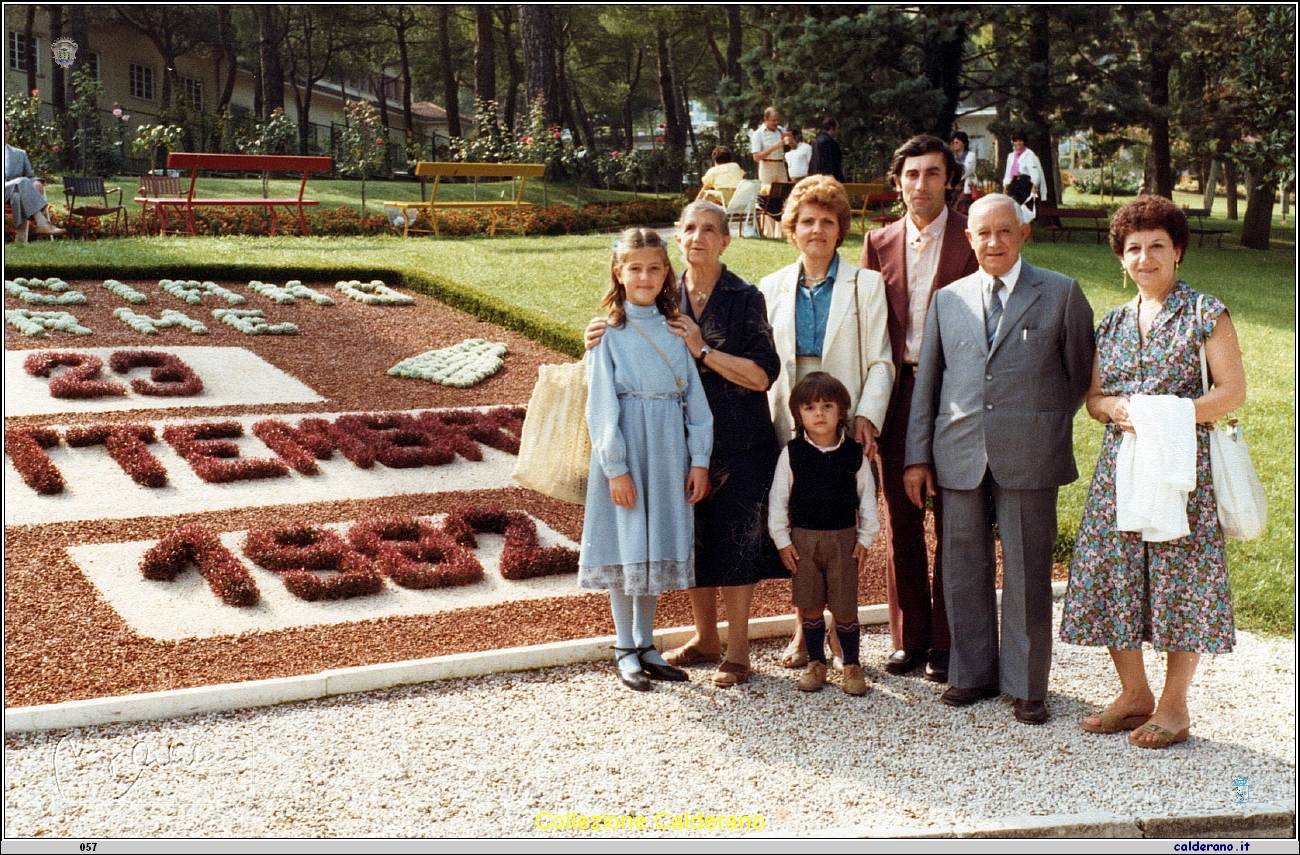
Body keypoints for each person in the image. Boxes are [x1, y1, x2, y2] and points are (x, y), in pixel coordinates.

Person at [1060, 196, 1245, 749]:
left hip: (1182, 468)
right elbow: (1094, 398)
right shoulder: (1113, 322)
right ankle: (1134, 693)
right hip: (1121, 468)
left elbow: (1232, 392)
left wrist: (1164, 414)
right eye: (1133, 248)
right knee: (1114, 571)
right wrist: (1117, 410)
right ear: (1121, 257)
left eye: (1157, 246)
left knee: (1179, 578)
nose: (1145, 257)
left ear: (1178, 251)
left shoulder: (1205, 314)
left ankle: (1174, 706)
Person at [904, 194, 1094, 725]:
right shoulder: (947, 299)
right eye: (983, 233)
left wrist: (1041, 420)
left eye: (1004, 232)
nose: (993, 242)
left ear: (1023, 233)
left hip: (1030, 455)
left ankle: (1027, 685)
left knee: (1030, 570)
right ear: (969, 238)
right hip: (958, 453)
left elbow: (1078, 375)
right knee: (962, 567)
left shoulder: (1060, 293)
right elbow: (929, 385)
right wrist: (918, 456)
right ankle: (972, 674)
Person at [584, 203, 785, 687]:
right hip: (647, 444)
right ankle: (659, 642)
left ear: (725, 239)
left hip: (723, 439)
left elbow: (751, 378)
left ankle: (718, 648)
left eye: (709, 229)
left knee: (717, 541)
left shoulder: (732, 301)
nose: (698, 237)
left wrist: (704, 351)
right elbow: (603, 389)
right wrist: (596, 331)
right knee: (656, 540)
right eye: (690, 228)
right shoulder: (641, 308)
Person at [758, 175, 894, 669]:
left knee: (841, 522)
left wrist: (865, 417)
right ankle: (805, 629)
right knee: (799, 523)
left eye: (828, 222)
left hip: (843, 422)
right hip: (791, 420)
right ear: (792, 229)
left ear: (840, 231)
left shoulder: (866, 285)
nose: (817, 230)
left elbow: (880, 360)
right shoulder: (770, 287)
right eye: (807, 221)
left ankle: (843, 630)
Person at [860, 135, 979, 684]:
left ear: (949, 181)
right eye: (912, 174)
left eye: (934, 174)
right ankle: (910, 640)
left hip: (958, 394)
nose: (922, 185)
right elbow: (869, 330)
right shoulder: (878, 242)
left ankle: (950, 643)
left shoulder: (972, 237)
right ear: (898, 180)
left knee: (956, 521)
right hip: (898, 393)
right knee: (901, 522)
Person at [579, 227, 713, 692]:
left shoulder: (677, 329)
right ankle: (622, 644)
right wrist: (615, 467)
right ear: (619, 272)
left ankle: (646, 641)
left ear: (666, 274)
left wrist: (699, 459)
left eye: (655, 268)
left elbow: (695, 400)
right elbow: (600, 406)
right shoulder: (608, 334)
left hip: (668, 445)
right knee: (626, 539)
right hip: (627, 442)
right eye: (635, 267)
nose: (645, 276)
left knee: (656, 537)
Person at [769, 372, 880, 695]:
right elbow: (779, 500)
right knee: (810, 605)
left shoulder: (853, 455)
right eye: (810, 408)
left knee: (845, 607)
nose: (819, 414)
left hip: (844, 541)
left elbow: (867, 499)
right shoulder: (792, 454)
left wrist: (865, 539)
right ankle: (816, 662)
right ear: (798, 415)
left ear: (842, 412)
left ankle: (851, 665)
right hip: (803, 542)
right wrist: (782, 540)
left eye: (827, 406)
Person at [4, 122, 64, 242]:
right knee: (22, 181)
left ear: (9, 133)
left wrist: (36, 181)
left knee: (17, 196)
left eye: (5, 131)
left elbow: (29, 176)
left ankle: (21, 239)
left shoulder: (20, 154)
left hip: (11, 194)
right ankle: (42, 222)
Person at [750, 107, 789, 187]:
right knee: (767, 194)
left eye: (777, 120)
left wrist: (791, 143)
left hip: (781, 165)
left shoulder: (781, 130)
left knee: (783, 193)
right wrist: (773, 148)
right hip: (767, 167)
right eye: (773, 120)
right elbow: (756, 157)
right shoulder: (758, 134)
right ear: (765, 119)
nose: (776, 123)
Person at [1002, 131, 1044, 201]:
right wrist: (1005, 189)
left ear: (1024, 142)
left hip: (1025, 184)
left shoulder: (1029, 154)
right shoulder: (1011, 156)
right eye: (1016, 141)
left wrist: (1034, 187)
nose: (1018, 143)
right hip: (1014, 184)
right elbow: (1008, 173)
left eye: (1020, 141)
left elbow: (1034, 173)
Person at [808, 116, 844, 183]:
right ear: (831, 128)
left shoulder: (816, 141)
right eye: (837, 128)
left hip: (816, 179)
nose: (838, 131)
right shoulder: (830, 142)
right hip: (827, 180)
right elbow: (833, 164)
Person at [951, 131, 978, 214]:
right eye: (953, 143)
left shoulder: (971, 155)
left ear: (963, 143)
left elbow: (966, 170)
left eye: (957, 142)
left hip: (964, 184)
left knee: (963, 209)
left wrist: (954, 177)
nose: (954, 144)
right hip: (953, 185)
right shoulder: (952, 156)